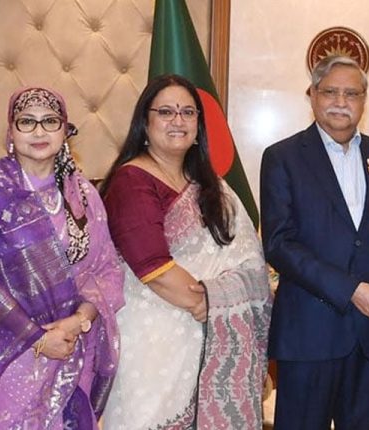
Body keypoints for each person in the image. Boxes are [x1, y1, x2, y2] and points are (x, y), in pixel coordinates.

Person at [100, 74, 271, 429]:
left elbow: (248, 260)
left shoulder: (211, 187)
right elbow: (154, 269)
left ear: (198, 126)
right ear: (145, 124)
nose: (178, 120)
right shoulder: (132, 181)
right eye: (165, 112)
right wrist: (210, 304)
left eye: (188, 112)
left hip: (207, 337)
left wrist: (217, 305)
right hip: (153, 348)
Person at [260, 55, 369, 429]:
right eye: (330, 92)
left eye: (352, 94)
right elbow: (280, 244)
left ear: (364, 100)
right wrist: (351, 290)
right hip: (309, 333)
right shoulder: (282, 158)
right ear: (312, 95)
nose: (341, 102)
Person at [0, 87, 124, 428]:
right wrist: (38, 338)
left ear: (65, 130)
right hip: (10, 351)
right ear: (11, 131)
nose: (39, 131)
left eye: (50, 121)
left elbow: (107, 267)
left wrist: (79, 321)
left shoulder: (83, 195)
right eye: (26, 121)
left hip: (73, 344)